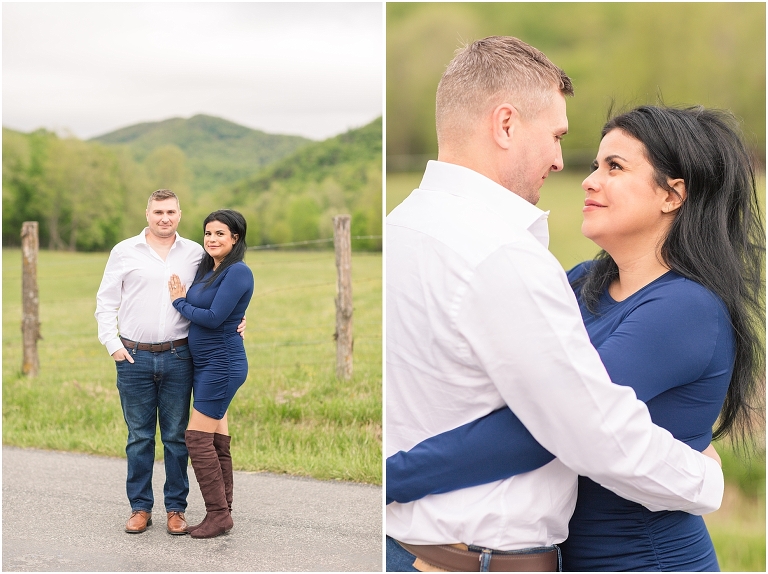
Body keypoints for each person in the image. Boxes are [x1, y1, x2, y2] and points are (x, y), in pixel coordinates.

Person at [385, 36, 727, 572]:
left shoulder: (683, 309)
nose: (577, 173)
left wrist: (388, 477)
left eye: (614, 167)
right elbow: (572, 425)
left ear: (672, 194)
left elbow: (548, 428)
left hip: (639, 558)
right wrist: (705, 477)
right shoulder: (565, 278)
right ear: (505, 125)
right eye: (565, 141)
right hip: (508, 553)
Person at [96, 189, 240, 535]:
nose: (165, 217)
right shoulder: (124, 251)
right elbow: (106, 302)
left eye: (171, 211)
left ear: (179, 214)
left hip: (180, 355)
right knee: (139, 437)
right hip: (133, 355)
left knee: (177, 437)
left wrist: (239, 320)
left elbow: (218, 295)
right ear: (147, 213)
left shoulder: (195, 253)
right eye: (158, 211)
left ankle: (176, 508)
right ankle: (140, 508)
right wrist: (113, 344)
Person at [168, 209, 254, 539]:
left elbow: (216, 317)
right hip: (206, 364)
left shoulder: (239, 272)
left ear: (235, 238)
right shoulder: (210, 270)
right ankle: (224, 510)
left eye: (220, 234)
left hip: (223, 364)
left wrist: (179, 302)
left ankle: (218, 515)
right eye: (208, 233)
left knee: (196, 439)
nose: (212, 239)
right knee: (217, 440)